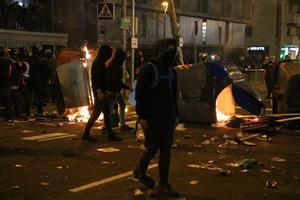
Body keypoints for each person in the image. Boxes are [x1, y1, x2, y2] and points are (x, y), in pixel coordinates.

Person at [133, 39, 180, 197]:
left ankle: (155, 179)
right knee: (154, 149)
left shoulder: (172, 72)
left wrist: (177, 115)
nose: (171, 54)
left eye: (173, 51)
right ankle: (149, 176)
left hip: (168, 118)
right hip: (153, 118)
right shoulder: (149, 69)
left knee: (162, 150)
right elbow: (140, 96)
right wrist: (143, 117)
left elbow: (174, 96)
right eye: (169, 50)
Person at [82, 44, 122, 142]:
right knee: (96, 113)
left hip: (101, 92)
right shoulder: (98, 63)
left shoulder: (99, 62)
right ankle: (86, 134)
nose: (109, 56)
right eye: (109, 54)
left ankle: (109, 134)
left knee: (106, 113)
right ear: (104, 54)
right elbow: (96, 79)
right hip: (99, 92)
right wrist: (99, 92)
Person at [106, 48, 133, 131]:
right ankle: (108, 127)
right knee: (109, 109)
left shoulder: (112, 64)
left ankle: (122, 124)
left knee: (121, 105)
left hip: (113, 90)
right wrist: (128, 88)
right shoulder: (116, 67)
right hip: (113, 91)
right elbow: (117, 82)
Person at [0, 47, 14, 125]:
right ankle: (9, 118)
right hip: (6, 83)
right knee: (8, 102)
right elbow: (12, 70)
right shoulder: (9, 61)